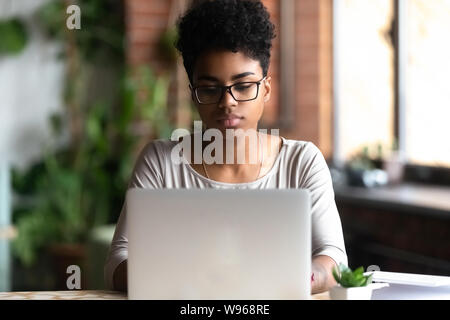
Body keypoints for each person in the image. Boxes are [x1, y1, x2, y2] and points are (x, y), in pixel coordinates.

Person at [104, 0, 347, 295]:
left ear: (265, 89)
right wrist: (187, 279)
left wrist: (299, 277)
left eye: (243, 86)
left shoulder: (301, 162)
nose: (227, 102)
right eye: (210, 89)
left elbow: (334, 260)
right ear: (193, 95)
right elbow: (118, 263)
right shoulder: (161, 162)